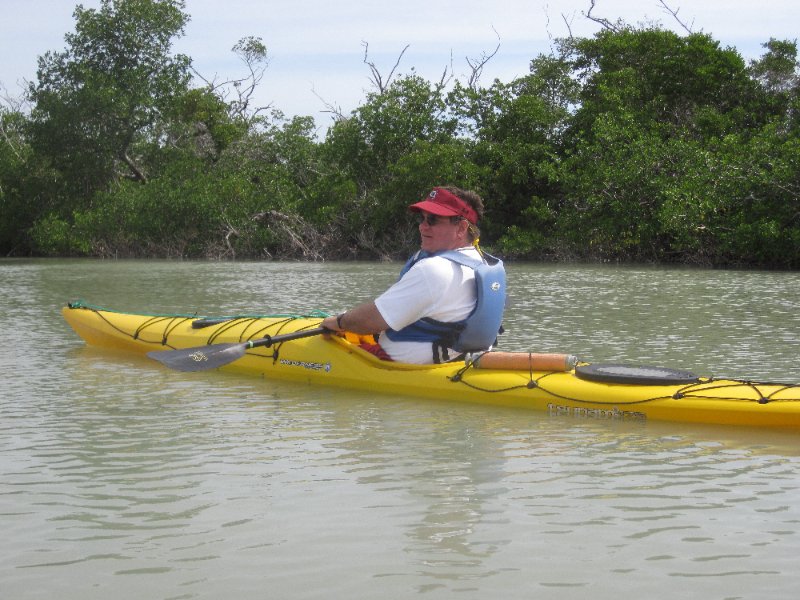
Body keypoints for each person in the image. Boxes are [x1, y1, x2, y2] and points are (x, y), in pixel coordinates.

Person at [321, 186, 505, 364]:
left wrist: (338, 321)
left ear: (461, 228)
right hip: (464, 361)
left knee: (329, 341)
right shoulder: (486, 263)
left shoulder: (433, 269)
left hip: (400, 366)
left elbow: (371, 321)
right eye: (422, 219)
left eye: (433, 220)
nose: (423, 227)